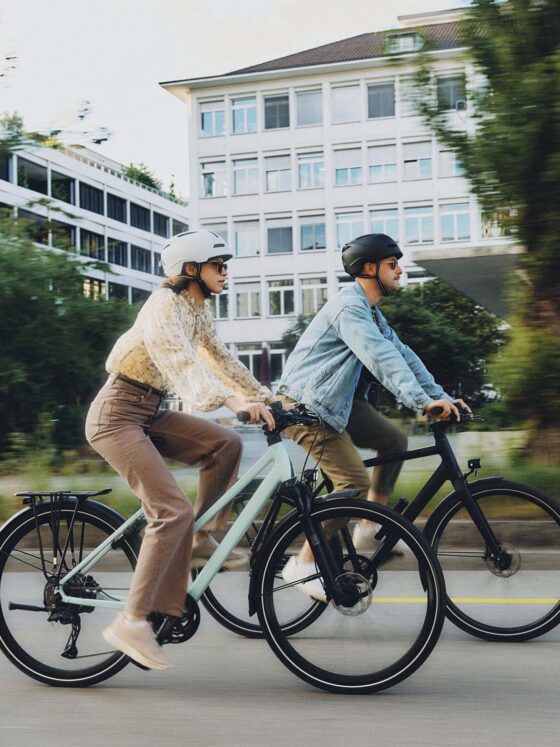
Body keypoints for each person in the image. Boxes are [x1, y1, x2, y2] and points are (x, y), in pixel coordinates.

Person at [85, 229, 275, 671]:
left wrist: (266, 398)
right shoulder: (163, 306)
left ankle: (201, 537)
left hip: (148, 412)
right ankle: (131, 621)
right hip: (116, 415)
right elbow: (181, 363)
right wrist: (231, 403)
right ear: (191, 270)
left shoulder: (196, 309)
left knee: (224, 443)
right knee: (171, 511)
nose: (226, 274)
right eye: (218, 265)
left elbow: (220, 359)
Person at [276, 233, 470, 600]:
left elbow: (405, 356)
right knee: (351, 481)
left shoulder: (373, 313)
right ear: (370, 268)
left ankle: (368, 525)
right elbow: (379, 357)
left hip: (339, 404)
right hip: (307, 408)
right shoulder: (349, 308)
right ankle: (302, 562)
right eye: (393, 263)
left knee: (393, 440)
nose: (401, 270)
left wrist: (442, 397)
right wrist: (419, 402)